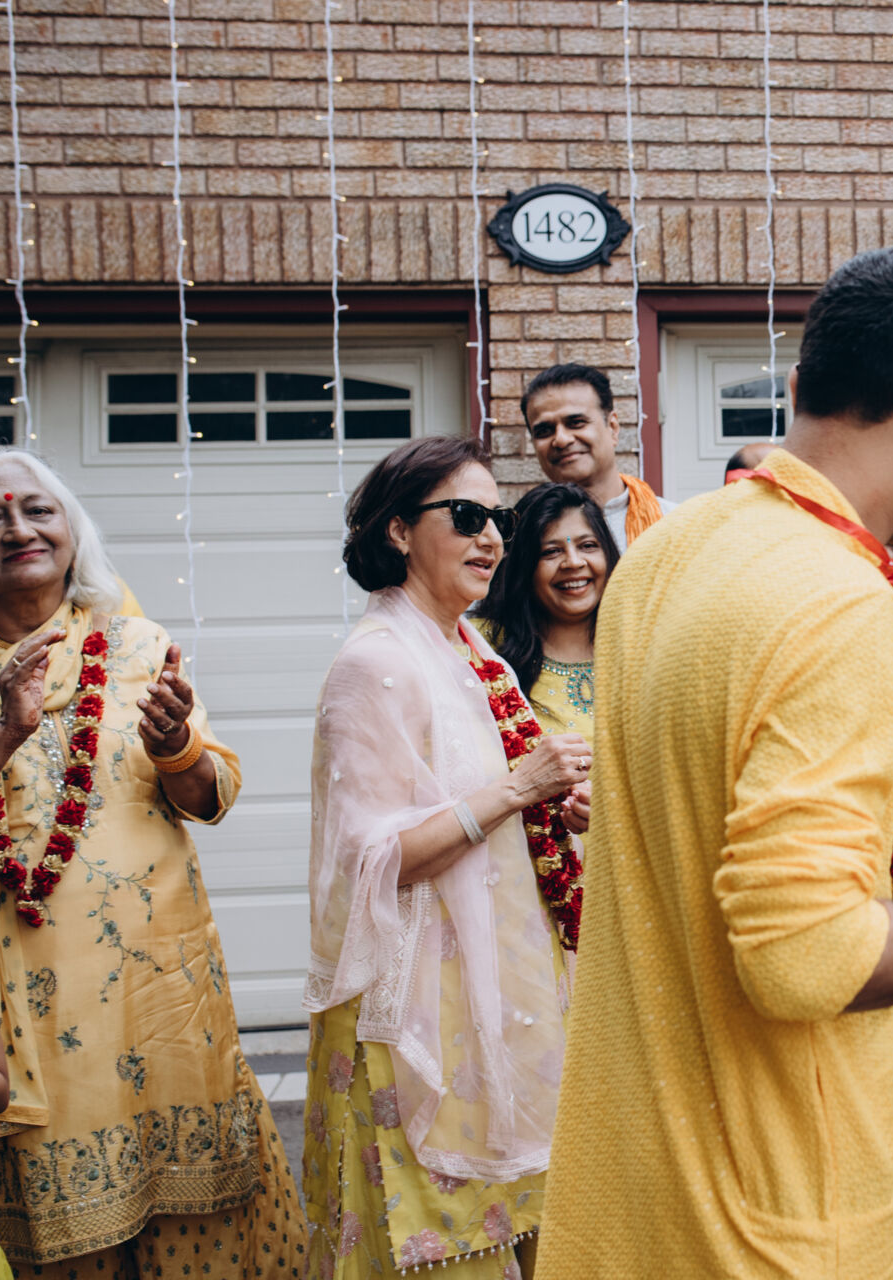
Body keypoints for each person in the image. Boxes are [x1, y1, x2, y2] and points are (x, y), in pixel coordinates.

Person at [536, 247, 893, 1279]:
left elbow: (714, 711)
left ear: (806, 380)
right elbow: (805, 954)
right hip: (779, 1225)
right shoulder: (840, 603)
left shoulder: (673, 548)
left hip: (630, 1202)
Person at [0, 448, 305, 1275]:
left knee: (198, 1218)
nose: (19, 529)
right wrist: (5, 733)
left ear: (72, 530)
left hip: (158, 984)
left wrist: (176, 749)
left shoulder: (136, 645)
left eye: (37, 510)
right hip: (33, 1007)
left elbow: (213, 795)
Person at [303, 436, 592, 1277]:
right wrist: (517, 788)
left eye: (498, 519)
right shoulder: (377, 663)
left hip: (496, 989)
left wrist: (548, 805)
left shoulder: (469, 649)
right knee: (442, 1250)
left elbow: (488, 806)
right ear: (398, 531)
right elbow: (374, 858)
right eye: (467, 516)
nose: (491, 537)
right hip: (418, 1013)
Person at [471, 482, 619, 743]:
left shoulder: (639, 647)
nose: (574, 562)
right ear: (524, 566)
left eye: (587, 545)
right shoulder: (480, 648)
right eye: (551, 551)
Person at [522, 363, 670, 551]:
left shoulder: (673, 523)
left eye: (576, 422)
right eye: (544, 431)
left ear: (613, 428)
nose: (561, 440)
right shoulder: (522, 536)